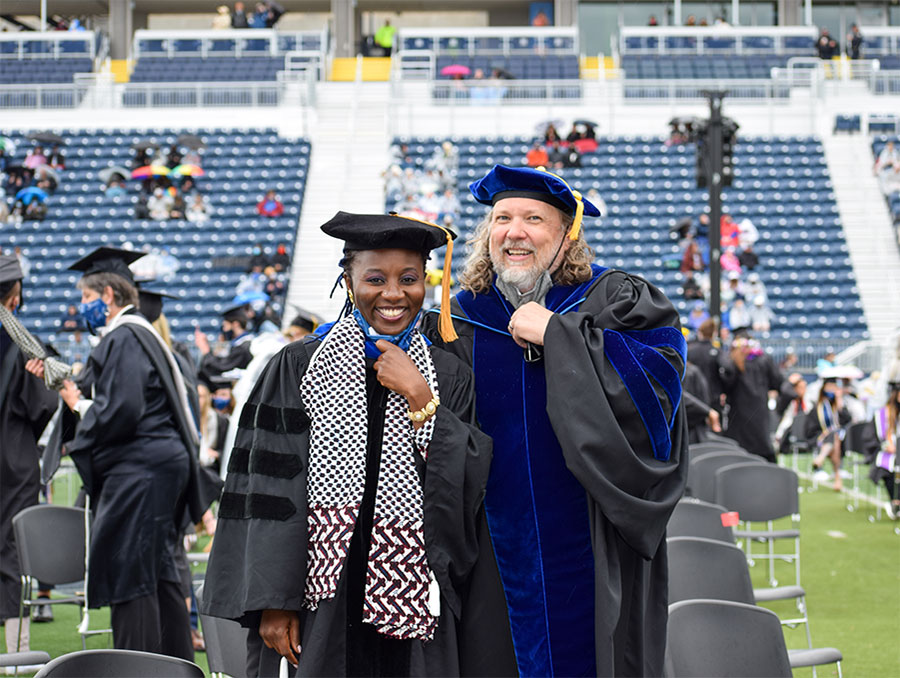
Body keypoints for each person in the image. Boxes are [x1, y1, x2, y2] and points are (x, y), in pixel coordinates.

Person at [421, 165, 688, 677]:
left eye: (533, 219)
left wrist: (563, 335)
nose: (514, 231)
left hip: (591, 532)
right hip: (489, 546)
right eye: (502, 218)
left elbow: (660, 386)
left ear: (568, 236)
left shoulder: (612, 299)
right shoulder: (458, 320)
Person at [202, 212, 492, 677]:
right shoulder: (298, 367)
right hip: (319, 599)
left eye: (410, 279)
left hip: (413, 598)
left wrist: (420, 397)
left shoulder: (448, 374)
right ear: (349, 282)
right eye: (375, 278)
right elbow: (265, 493)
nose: (394, 293)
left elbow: (468, 488)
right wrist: (274, 602)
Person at [25, 247, 203, 658]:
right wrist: (57, 372)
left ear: (107, 296)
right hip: (159, 466)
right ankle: (176, 666)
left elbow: (121, 411)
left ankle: (134, 668)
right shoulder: (142, 335)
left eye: (86, 299)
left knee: (133, 574)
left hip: (140, 470)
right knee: (160, 574)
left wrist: (75, 402)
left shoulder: (123, 337)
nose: (82, 307)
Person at [0, 255, 58, 657]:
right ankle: (16, 651)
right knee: (10, 552)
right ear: (15, 295)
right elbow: (41, 408)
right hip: (14, 462)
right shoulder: (22, 344)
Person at [719, 332, 785, 462]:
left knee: (738, 451)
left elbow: (725, 386)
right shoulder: (764, 360)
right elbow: (777, 382)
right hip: (758, 413)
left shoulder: (731, 361)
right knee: (762, 449)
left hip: (738, 414)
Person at [806, 377, 852, 490]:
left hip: (837, 438)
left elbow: (847, 421)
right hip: (819, 437)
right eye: (829, 387)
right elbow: (810, 428)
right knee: (834, 438)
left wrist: (840, 401)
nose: (832, 390)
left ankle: (820, 459)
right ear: (824, 389)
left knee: (835, 437)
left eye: (834, 387)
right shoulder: (818, 407)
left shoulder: (838, 406)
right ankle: (837, 475)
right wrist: (824, 433)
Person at [194, 303, 254, 379]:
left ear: (235, 325)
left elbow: (222, 367)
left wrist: (206, 350)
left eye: (225, 326)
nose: (224, 330)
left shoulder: (244, 346)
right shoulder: (238, 344)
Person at [871, 382, 899, 518]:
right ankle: (895, 502)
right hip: (886, 454)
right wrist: (886, 446)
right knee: (889, 469)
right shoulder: (883, 413)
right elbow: (874, 438)